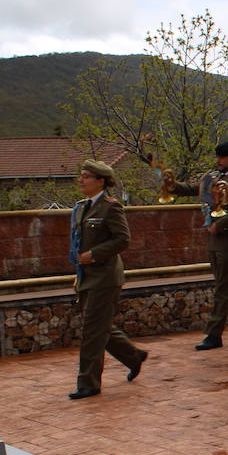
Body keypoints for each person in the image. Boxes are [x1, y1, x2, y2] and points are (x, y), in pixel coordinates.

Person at [167, 141, 228, 350]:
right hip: (215, 235)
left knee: (222, 287)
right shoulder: (214, 177)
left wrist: (220, 224)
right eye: (218, 157)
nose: (218, 161)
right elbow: (195, 189)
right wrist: (172, 185)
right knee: (225, 282)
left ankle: (214, 334)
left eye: (223, 157)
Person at [68, 159, 146, 399]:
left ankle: (88, 383)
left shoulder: (110, 207)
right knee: (99, 327)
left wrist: (94, 255)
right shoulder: (82, 207)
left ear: (100, 181)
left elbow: (123, 239)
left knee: (92, 331)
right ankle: (132, 355)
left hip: (105, 277)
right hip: (86, 277)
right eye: (81, 176)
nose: (81, 180)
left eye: (86, 176)